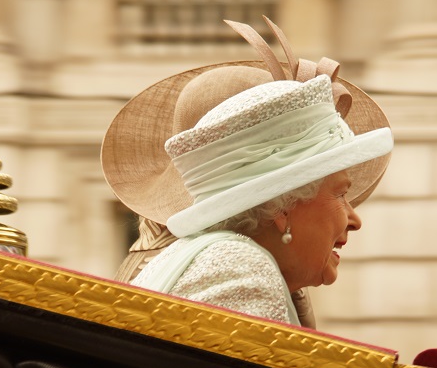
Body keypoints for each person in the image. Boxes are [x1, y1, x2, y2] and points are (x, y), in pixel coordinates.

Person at [101, 18, 392, 326]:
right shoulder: (239, 268)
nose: (355, 219)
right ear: (282, 206)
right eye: (341, 194)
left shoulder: (209, 259)